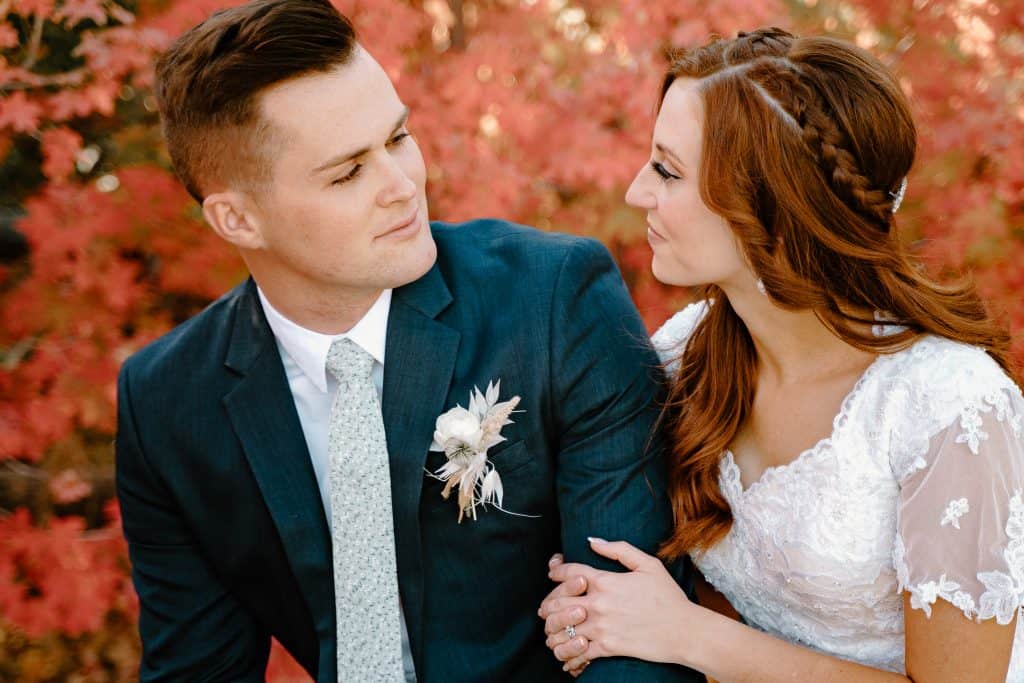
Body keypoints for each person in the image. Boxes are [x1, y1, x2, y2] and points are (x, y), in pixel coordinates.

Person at [114, 0, 702, 681]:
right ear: (238, 218)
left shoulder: (553, 301)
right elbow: (196, 669)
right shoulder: (166, 401)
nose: (403, 186)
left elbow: (635, 648)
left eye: (397, 138)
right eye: (346, 173)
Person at [539, 27, 1024, 682]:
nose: (636, 193)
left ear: (772, 208)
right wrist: (589, 607)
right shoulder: (685, 354)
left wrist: (688, 633)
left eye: (667, 171)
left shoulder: (949, 411)